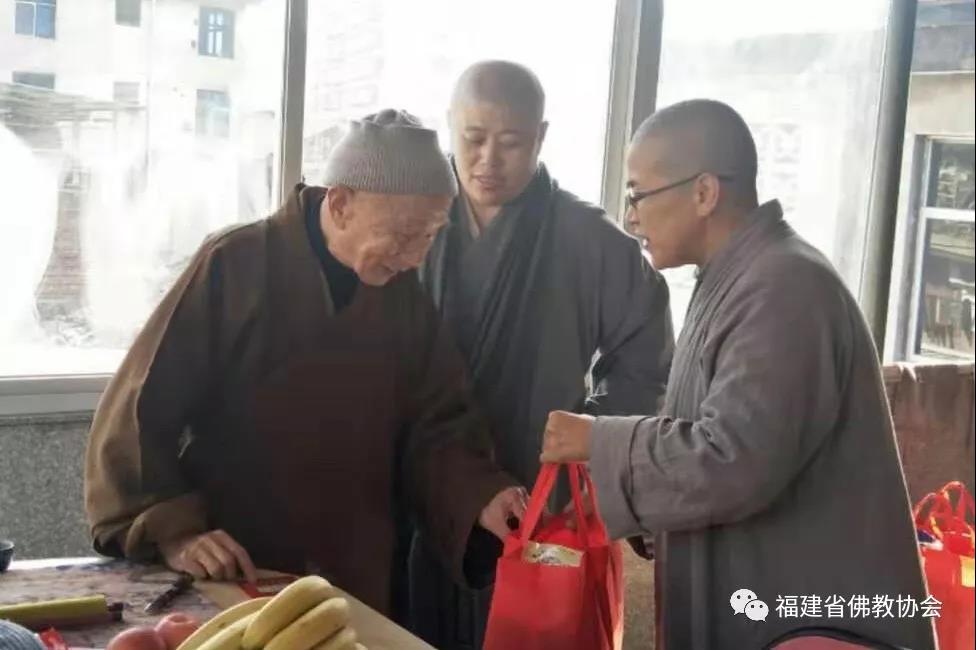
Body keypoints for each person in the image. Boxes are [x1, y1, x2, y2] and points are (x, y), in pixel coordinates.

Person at [84, 109, 526, 622]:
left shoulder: (402, 295)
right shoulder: (237, 262)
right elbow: (141, 406)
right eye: (404, 234)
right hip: (236, 564)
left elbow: (439, 424)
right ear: (340, 204)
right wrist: (174, 532)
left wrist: (480, 496)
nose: (414, 258)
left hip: (355, 568)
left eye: (429, 236)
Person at [540, 99, 936, 649]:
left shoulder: (787, 288)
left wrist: (598, 441)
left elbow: (735, 459)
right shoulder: (739, 277)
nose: (630, 218)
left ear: (704, 193)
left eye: (637, 195)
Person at [410, 60, 674, 649]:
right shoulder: (416, 222)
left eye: (511, 142)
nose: (488, 160)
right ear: (449, 127)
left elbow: (646, 359)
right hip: (426, 488)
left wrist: (590, 439)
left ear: (541, 136)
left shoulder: (589, 238)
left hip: (541, 494)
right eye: (473, 139)